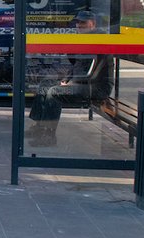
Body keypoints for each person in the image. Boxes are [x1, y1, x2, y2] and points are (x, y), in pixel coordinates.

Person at [27, 9, 113, 146]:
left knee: (54, 92)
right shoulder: (82, 39)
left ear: (93, 24)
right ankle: (39, 126)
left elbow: (92, 72)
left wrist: (71, 83)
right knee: (45, 84)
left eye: (83, 22)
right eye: (78, 22)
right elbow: (76, 65)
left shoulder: (99, 41)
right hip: (82, 83)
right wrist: (67, 79)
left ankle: (49, 135)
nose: (79, 25)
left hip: (96, 87)